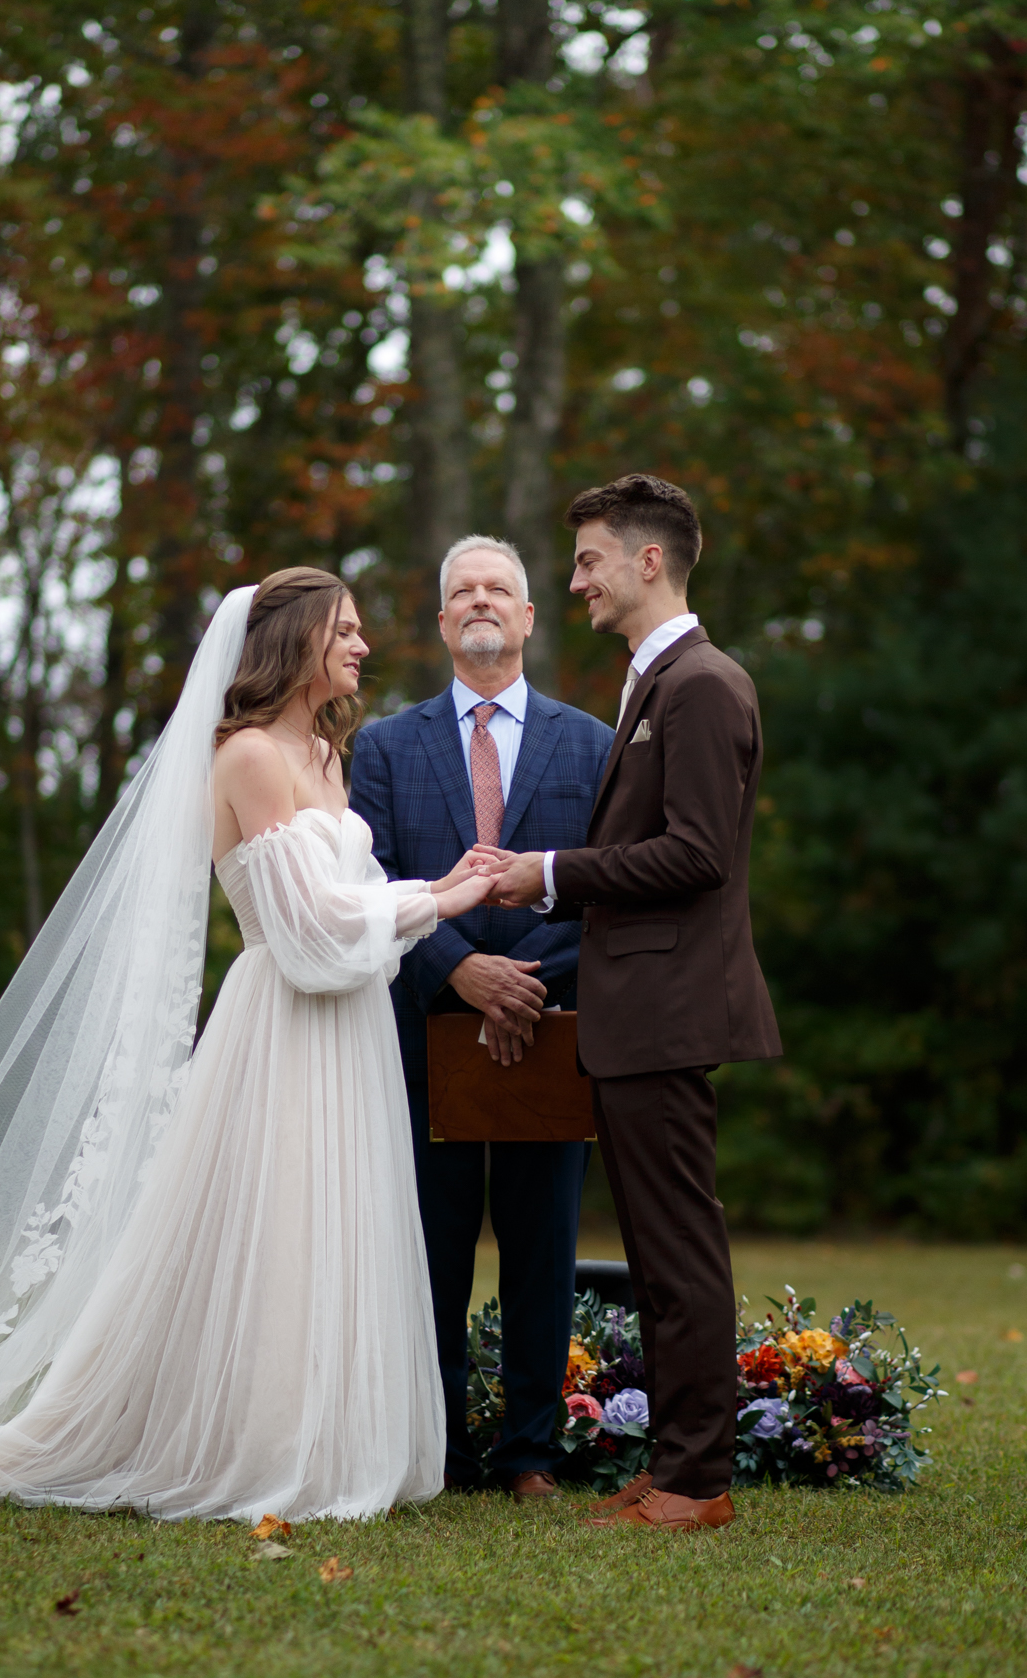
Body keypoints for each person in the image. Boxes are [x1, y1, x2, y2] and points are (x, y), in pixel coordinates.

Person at [0, 569, 493, 1521]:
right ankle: (258, 1442)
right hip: (283, 1024)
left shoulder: (326, 756)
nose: (362, 647)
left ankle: (330, 1434)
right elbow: (305, 935)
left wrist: (429, 893)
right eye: (343, 630)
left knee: (336, 1223)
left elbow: (350, 910)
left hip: (350, 1030)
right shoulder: (248, 756)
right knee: (279, 1224)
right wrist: (441, 900)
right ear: (295, 640)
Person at [482, 475, 782, 1532]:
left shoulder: (701, 684)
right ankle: (675, 1468)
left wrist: (547, 874)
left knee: (678, 1251)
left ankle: (696, 1483)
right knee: (657, 1254)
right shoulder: (654, 681)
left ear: (648, 560)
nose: (576, 582)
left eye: (589, 560)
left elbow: (696, 853)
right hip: (639, 1013)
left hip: (666, 1008)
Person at [349, 537, 612, 1498]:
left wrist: (520, 985)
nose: (480, 600)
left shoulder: (592, 744)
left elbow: (605, 886)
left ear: (529, 616)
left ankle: (530, 1452)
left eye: (499, 587)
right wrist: (461, 972)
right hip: (424, 1029)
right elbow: (370, 882)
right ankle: (441, 1450)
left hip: (549, 1029)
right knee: (431, 1247)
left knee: (542, 1250)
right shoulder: (385, 747)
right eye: (461, 591)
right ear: (441, 622)